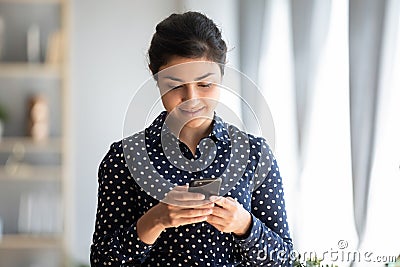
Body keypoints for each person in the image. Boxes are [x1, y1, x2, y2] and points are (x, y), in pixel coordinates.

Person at [90, 11, 293, 267]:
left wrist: (245, 226)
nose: (192, 98)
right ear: (156, 77)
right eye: (175, 86)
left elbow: (284, 259)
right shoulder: (124, 159)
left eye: (205, 85)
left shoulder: (255, 155)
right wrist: (157, 219)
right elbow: (103, 262)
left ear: (221, 76)